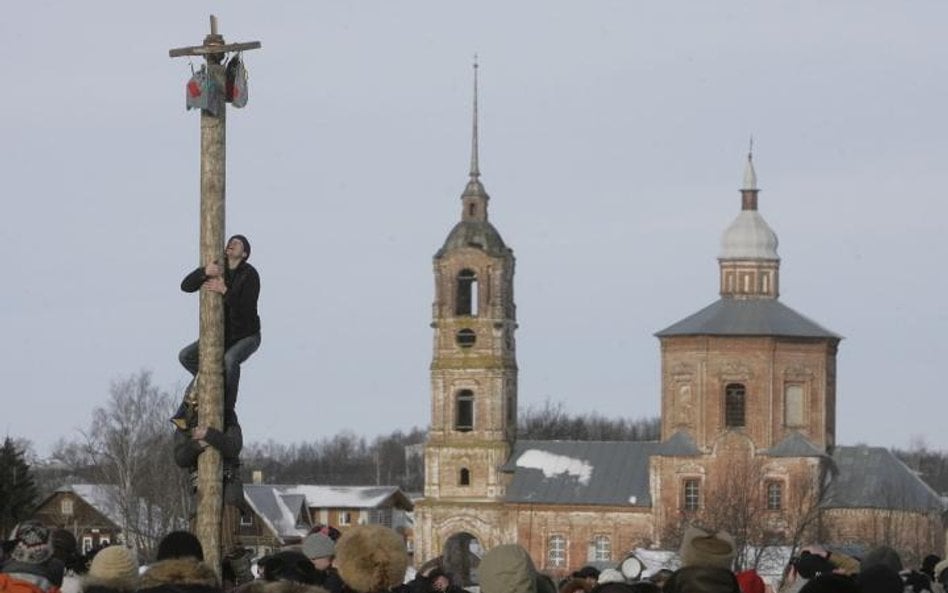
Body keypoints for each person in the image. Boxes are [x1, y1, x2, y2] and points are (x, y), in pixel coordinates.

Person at [173, 234, 261, 428]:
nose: (231, 243)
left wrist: (224, 291)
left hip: (247, 335)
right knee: (186, 356)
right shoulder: (218, 267)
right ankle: (211, 387)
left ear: (244, 253)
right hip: (223, 336)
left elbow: (245, 310)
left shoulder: (250, 275)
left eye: (237, 243)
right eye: (231, 241)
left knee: (230, 360)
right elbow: (185, 286)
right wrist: (204, 271)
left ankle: (227, 409)